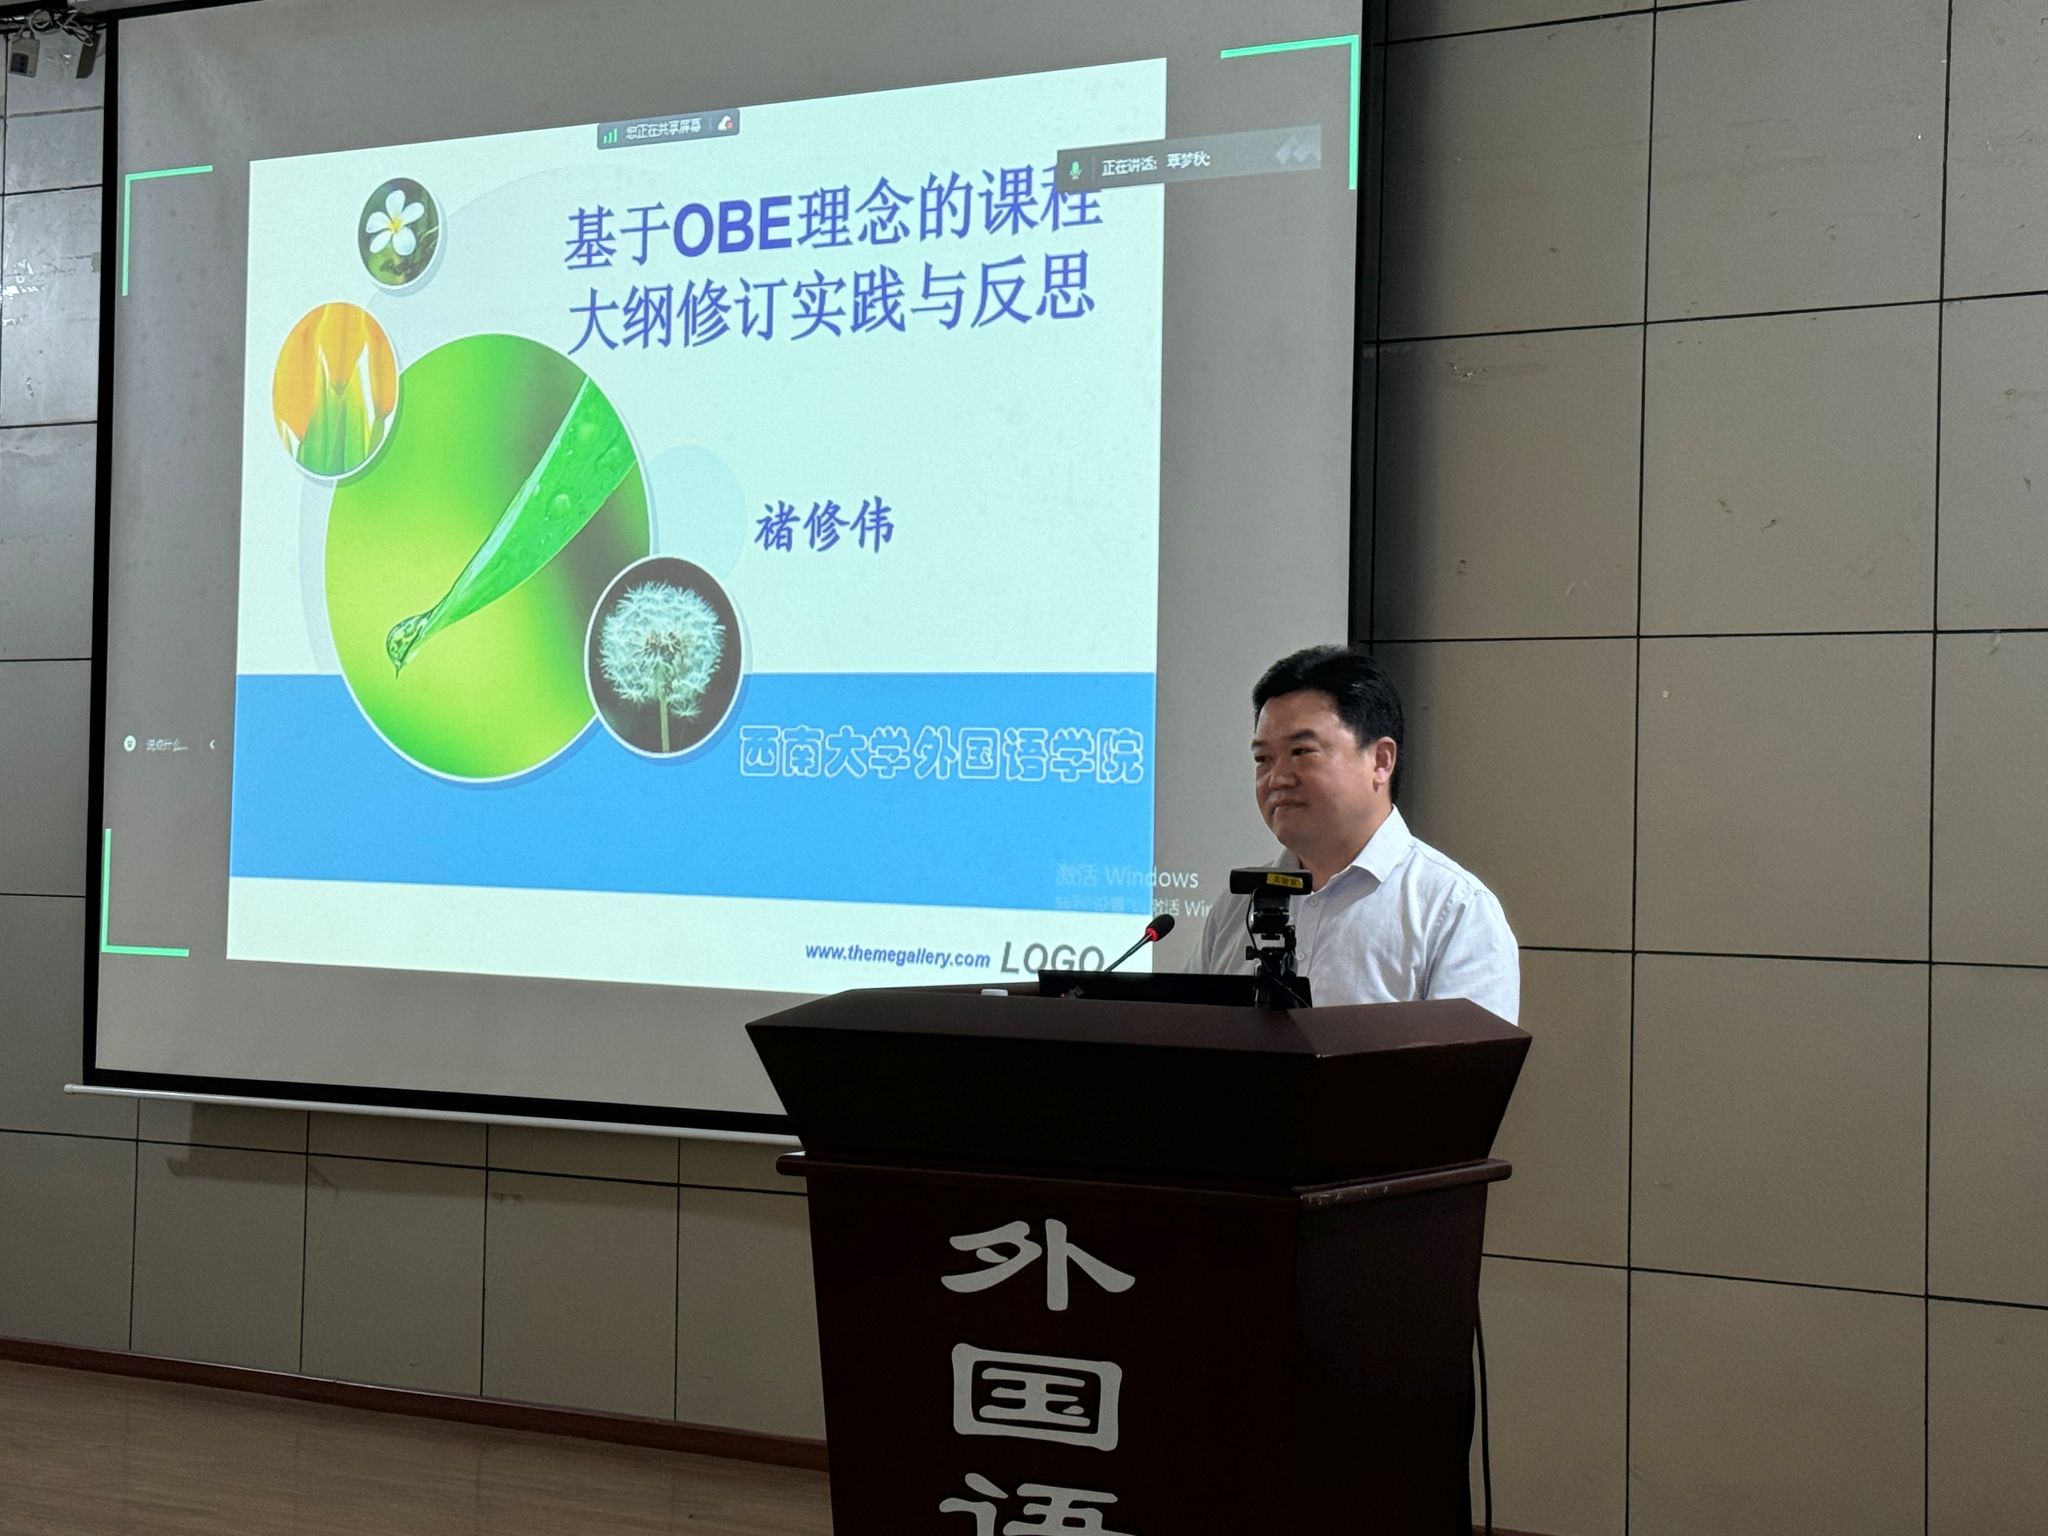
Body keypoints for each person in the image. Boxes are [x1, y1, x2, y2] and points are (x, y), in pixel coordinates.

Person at [1192, 643, 1519, 1024]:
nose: (1276, 778)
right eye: (1263, 759)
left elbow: (1468, 1062)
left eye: (1301, 752)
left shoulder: (1453, 910)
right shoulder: (1238, 907)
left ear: (1381, 761)